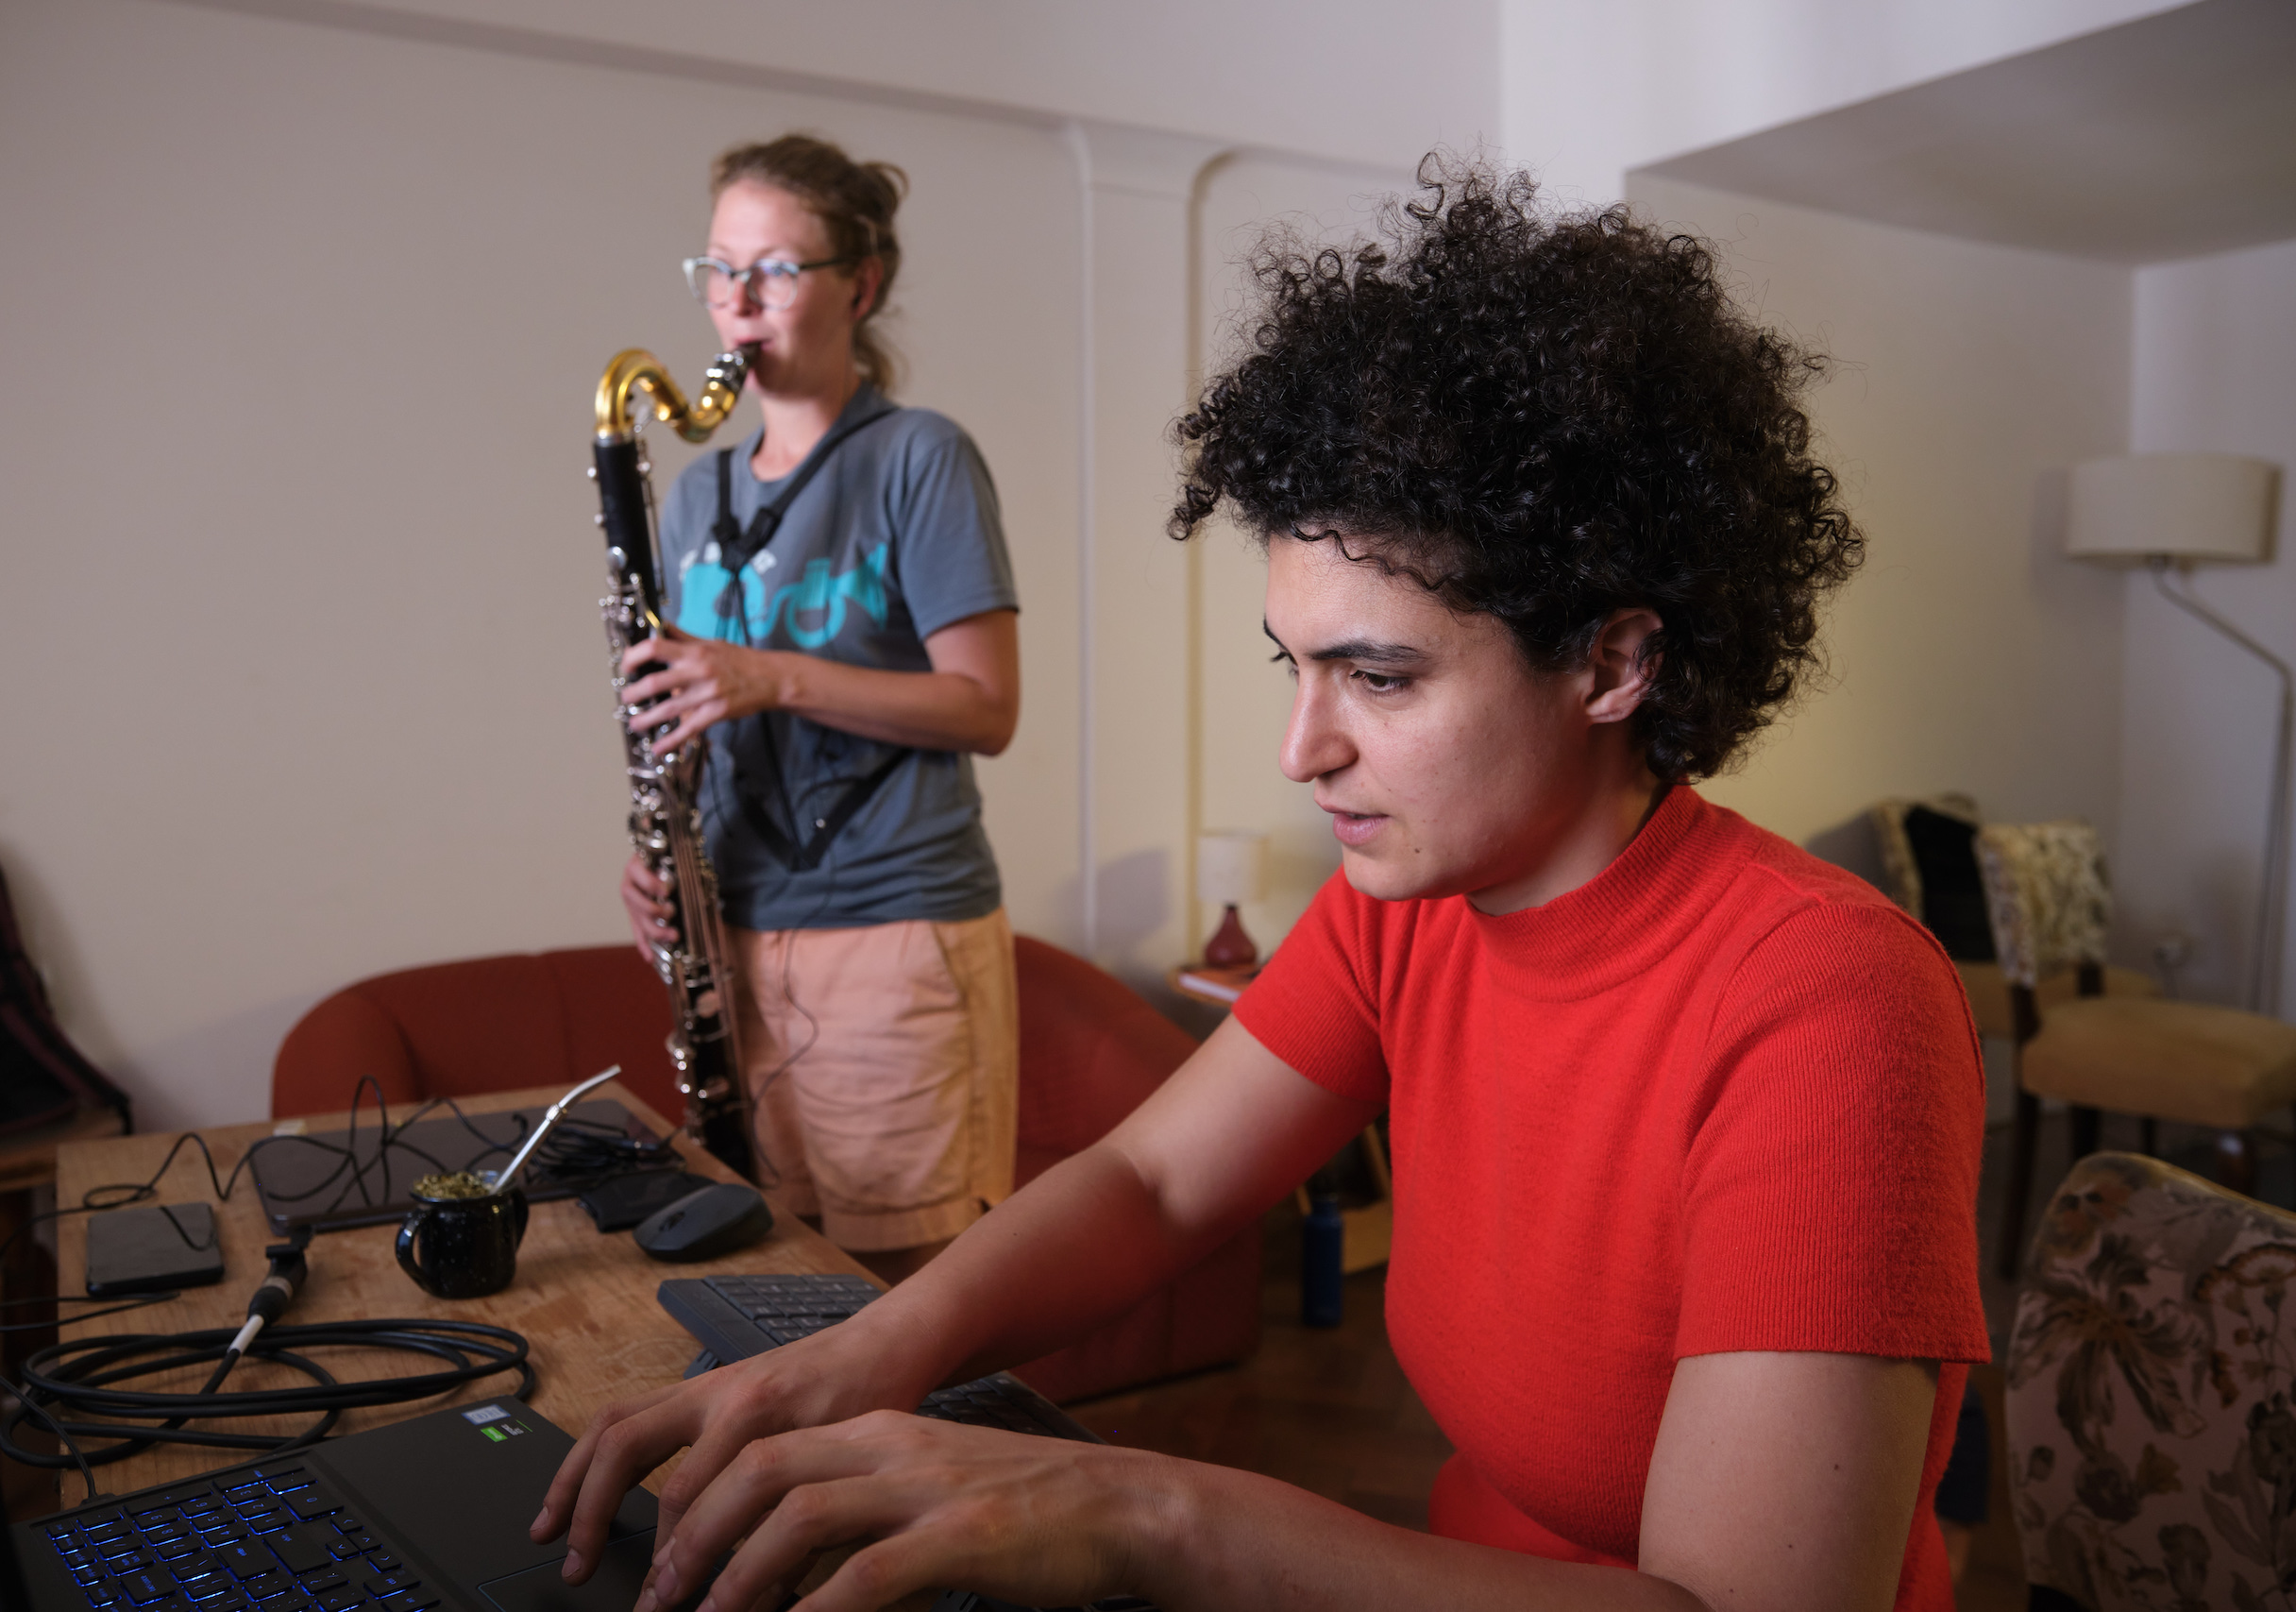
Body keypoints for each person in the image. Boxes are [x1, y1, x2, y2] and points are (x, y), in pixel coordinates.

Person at [544, 161, 1989, 1612]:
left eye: (1380, 675)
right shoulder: (1408, 907)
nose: (1303, 750)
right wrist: (863, 1346)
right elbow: (1153, 1181)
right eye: (1293, 664)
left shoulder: (1828, 1001)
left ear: (1615, 662)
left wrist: (1154, 1508)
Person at [617, 134, 1022, 1285]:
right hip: (735, 936)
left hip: (892, 938)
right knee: (779, 1284)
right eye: (718, 267)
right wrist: (651, 857)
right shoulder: (694, 493)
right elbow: (684, 711)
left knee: (907, 1302)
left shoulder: (919, 458)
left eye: (776, 269)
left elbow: (986, 708)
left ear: (861, 284)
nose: (736, 300)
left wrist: (770, 674)